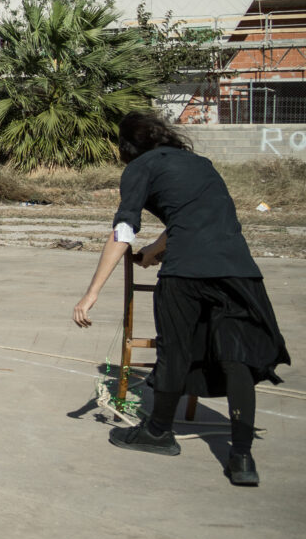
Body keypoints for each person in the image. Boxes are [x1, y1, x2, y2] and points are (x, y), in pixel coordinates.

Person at [73, 111, 289, 487]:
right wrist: (153, 253)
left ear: (127, 147)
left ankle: (158, 432)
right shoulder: (200, 164)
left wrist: (90, 294)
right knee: (236, 357)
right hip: (238, 269)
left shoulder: (141, 166)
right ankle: (241, 457)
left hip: (186, 273)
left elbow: (123, 231)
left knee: (175, 350)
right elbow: (190, 221)